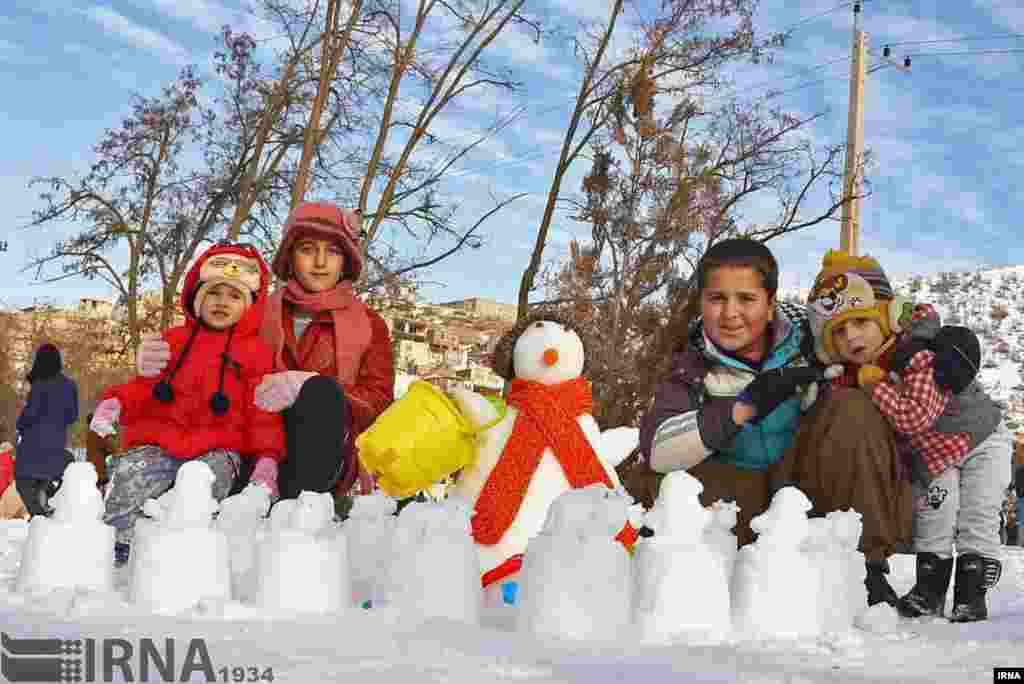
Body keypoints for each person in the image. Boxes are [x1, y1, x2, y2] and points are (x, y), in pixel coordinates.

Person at [134, 202, 395, 499]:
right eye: (308, 249)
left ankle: (299, 508)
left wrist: (311, 386)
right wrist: (157, 364)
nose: (320, 262)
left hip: (324, 457)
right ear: (291, 255)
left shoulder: (369, 323)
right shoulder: (255, 310)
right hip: (251, 444)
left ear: (346, 259)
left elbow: (379, 402)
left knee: (320, 393)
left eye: (333, 251)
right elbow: (203, 351)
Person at [805, 250, 1011, 620]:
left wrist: (872, 384)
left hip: (979, 439)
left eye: (860, 323)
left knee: (977, 514)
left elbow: (915, 416)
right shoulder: (860, 369)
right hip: (936, 453)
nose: (851, 336)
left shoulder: (915, 354)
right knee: (936, 511)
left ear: (885, 317)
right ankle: (929, 591)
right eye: (839, 330)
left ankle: (972, 591)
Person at [90, 243, 286, 565]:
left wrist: (267, 458)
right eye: (214, 293)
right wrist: (116, 402)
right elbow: (145, 387)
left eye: (234, 296)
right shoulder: (173, 341)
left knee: (202, 484)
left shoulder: (256, 353)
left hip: (218, 448)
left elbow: (262, 411)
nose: (222, 302)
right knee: (129, 473)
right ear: (198, 297)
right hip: (162, 442)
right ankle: (116, 546)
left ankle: (184, 548)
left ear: (250, 305)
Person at [639, 239, 823, 547]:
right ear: (701, 303)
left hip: (806, 494)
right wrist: (742, 408)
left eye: (746, 299)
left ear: (769, 304)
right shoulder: (691, 365)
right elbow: (658, 451)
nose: (730, 313)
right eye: (717, 298)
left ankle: (868, 565)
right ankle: (681, 572)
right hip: (732, 501)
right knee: (659, 481)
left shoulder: (811, 344)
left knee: (852, 407)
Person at [15, 344, 79, 517]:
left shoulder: (40, 385)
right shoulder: (70, 385)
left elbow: (30, 415)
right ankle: (47, 503)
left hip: (33, 446)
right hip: (57, 445)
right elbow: (73, 416)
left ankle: (40, 517)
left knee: (23, 482)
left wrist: (19, 424)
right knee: (45, 478)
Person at [85, 413, 117, 488]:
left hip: (91, 466)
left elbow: (98, 448)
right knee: (100, 488)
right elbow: (109, 447)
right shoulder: (98, 433)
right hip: (99, 468)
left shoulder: (89, 433)